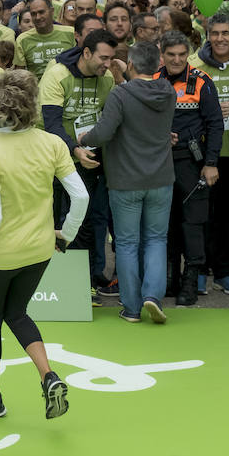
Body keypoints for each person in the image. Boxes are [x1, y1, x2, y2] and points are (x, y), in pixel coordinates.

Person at [0, 69, 88, 420]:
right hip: (40, 250)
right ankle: (48, 375)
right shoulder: (53, 143)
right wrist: (67, 234)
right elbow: (80, 197)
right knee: (16, 313)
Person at [78, 41, 176, 323]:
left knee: (127, 243)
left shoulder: (120, 94)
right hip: (160, 178)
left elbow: (104, 132)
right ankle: (153, 296)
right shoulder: (168, 92)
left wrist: (83, 139)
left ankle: (131, 308)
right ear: (158, 64)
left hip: (125, 180)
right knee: (157, 240)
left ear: (130, 64)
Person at [38, 29, 116, 289]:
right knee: (59, 220)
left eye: (110, 59)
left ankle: (88, 282)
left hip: (90, 160)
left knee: (91, 220)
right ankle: (60, 284)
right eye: (103, 58)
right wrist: (75, 150)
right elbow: (52, 124)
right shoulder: (57, 75)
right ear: (86, 53)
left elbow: (108, 120)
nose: (108, 65)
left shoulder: (107, 79)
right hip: (57, 159)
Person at [156, 30, 223, 306]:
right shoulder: (153, 79)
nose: (176, 59)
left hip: (192, 163)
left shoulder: (201, 82)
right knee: (166, 224)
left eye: (182, 55)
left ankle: (190, 280)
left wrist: (210, 163)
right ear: (162, 54)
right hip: (159, 164)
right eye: (171, 55)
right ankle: (170, 278)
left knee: (193, 224)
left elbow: (215, 124)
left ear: (188, 54)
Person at [13, 0, 75, 79]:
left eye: (41, 12)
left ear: (52, 11)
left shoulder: (70, 33)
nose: (38, 17)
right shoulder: (22, 39)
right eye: (33, 14)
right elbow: (19, 75)